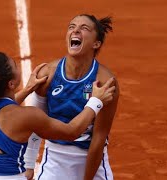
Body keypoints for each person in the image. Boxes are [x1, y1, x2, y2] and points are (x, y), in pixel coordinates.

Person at [0, 51, 115, 180]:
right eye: (15, 66)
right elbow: (72, 131)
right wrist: (95, 101)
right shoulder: (27, 116)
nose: (18, 68)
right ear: (11, 84)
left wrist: (28, 89)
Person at [24, 14, 119, 180]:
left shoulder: (105, 82)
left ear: (96, 44)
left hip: (91, 162)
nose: (75, 30)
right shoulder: (47, 74)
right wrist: (29, 165)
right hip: (54, 161)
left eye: (84, 28)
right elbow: (34, 123)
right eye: (71, 26)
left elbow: (99, 137)